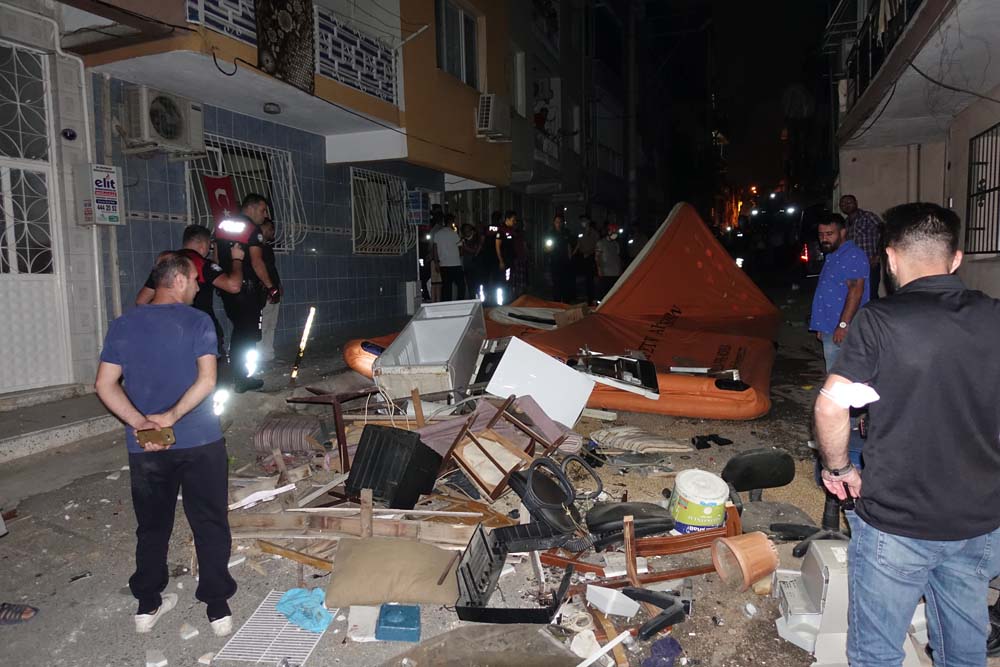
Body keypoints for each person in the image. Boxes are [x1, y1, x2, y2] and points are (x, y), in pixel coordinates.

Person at [814, 202, 1000, 667]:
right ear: (956, 258)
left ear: (892, 259)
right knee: (964, 648)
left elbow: (831, 404)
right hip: (979, 519)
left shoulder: (880, 321)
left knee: (877, 653)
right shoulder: (996, 316)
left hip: (897, 520)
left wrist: (839, 469)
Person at [95, 252, 236, 638]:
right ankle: (217, 608)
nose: (198, 286)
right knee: (209, 521)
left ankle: (147, 604)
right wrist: (171, 416)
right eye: (194, 280)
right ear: (178, 281)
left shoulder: (123, 324)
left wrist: (140, 422)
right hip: (200, 440)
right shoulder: (198, 321)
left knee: (152, 526)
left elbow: (104, 384)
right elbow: (207, 380)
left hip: (146, 446)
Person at [135, 225, 244, 357]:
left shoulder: (167, 265)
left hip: (171, 333)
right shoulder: (201, 263)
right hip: (200, 331)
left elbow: (141, 301)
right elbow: (233, 286)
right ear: (203, 245)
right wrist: (237, 259)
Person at [214, 193, 277, 393]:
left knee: (240, 331)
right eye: (263, 210)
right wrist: (271, 287)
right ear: (250, 207)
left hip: (229, 287)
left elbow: (216, 257)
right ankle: (242, 378)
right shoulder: (252, 229)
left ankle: (237, 375)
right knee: (247, 334)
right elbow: (257, 262)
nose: (265, 215)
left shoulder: (224, 225)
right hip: (247, 289)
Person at [808, 213, 869, 371]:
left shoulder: (853, 255)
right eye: (821, 234)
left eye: (829, 234)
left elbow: (856, 291)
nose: (824, 239)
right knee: (834, 374)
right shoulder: (834, 255)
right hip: (830, 326)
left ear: (842, 232)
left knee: (843, 376)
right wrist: (821, 326)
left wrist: (843, 325)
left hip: (844, 327)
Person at [839, 194, 884, 299]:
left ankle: (875, 310)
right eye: (843, 204)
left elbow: (884, 233)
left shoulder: (868, 216)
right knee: (856, 295)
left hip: (870, 263)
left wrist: (877, 255)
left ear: (856, 203)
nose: (846, 205)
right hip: (853, 265)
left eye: (849, 202)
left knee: (871, 294)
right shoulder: (845, 224)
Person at [257, 218, 281, 363]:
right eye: (270, 228)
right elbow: (259, 268)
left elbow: (272, 269)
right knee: (263, 323)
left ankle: (268, 353)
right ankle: (260, 355)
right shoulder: (255, 248)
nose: (273, 232)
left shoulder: (267, 248)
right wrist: (268, 287)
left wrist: (278, 285)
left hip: (273, 289)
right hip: (264, 291)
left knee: (272, 323)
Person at [432, 213, 464, 301]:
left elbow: (435, 248)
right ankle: (460, 301)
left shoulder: (438, 234)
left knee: (447, 286)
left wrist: (436, 262)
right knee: (461, 284)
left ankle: (447, 302)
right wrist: (460, 254)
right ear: (451, 222)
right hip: (455, 263)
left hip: (443, 264)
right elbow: (460, 247)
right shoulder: (454, 234)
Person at [545, 212, 575, 303]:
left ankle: (566, 302)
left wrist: (570, 257)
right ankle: (557, 302)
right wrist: (549, 248)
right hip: (555, 261)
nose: (558, 224)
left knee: (565, 282)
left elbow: (569, 246)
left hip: (565, 261)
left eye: (560, 222)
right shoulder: (550, 234)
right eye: (557, 222)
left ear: (563, 223)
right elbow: (546, 248)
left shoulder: (566, 232)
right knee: (556, 283)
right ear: (554, 223)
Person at [492, 210, 520, 304]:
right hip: (504, 260)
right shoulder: (501, 230)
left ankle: (509, 299)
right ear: (507, 219)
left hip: (510, 260)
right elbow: (497, 246)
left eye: (515, 220)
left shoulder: (511, 230)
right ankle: (501, 302)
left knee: (509, 281)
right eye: (513, 220)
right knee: (503, 281)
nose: (514, 222)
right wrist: (501, 261)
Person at [574, 217, 599, 304]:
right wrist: (574, 253)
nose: (582, 223)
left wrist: (590, 253)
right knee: (585, 278)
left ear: (588, 221)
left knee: (590, 278)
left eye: (584, 221)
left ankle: (591, 297)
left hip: (591, 257)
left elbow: (597, 245)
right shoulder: (581, 232)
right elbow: (579, 243)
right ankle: (587, 296)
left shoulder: (594, 233)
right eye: (581, 221)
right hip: (583, 256)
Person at [595, 223, 623, 299]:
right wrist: (599, 269)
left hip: (615, 272)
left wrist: (620, 270)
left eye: (616, 233)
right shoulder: (601, 243)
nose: (615, 234)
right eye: (614, 232)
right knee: (604, 292)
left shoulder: (616, 244)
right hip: (606, 273)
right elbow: (597, 257)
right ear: (609, 232)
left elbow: (618, 257)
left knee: (614, 293)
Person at [459, 222, 484, 299]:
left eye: (468, 230)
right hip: (467, 265)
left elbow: (476, 250)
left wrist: (466, 248)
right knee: (470, 285)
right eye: (465, 231)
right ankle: (472, 299)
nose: (467, 232)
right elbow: (461, 253)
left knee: (478, 284)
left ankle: (479, 299)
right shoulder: (463, 240)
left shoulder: (477, 238)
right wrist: (461, 247)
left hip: (476, 265)